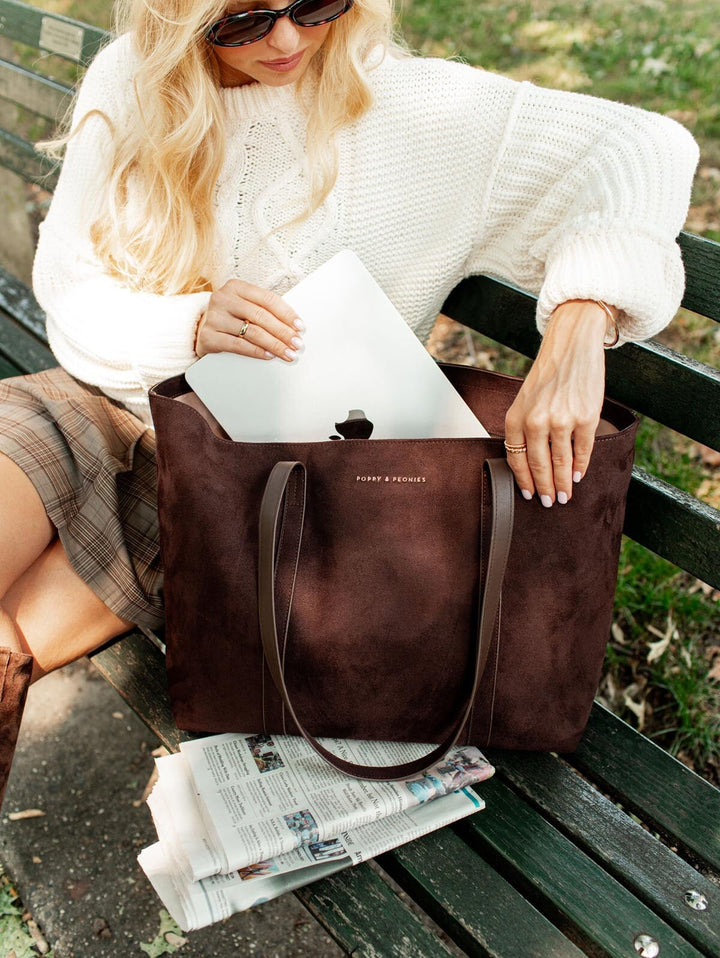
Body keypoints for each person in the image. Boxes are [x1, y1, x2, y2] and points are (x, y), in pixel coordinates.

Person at [0, 0, 699, 804]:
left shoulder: (419, 110)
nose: (289, 40)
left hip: (236, 498)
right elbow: (69, 292)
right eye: (242, 21)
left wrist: (581, 323)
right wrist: (188, 325)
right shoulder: (129, 80)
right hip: (87, 409)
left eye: (314, 4)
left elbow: (645, 146)